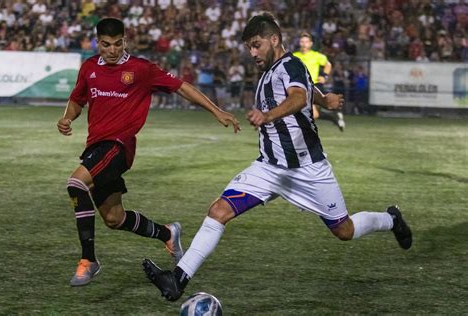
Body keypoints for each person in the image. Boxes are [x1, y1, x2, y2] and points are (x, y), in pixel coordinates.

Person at [142, 13, 412, 301]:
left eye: (256, 45)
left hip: (307, 169)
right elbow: (307, 88)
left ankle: (390, 219)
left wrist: (267, 115)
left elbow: (297, 97)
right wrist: (324, 100)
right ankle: (177, 279)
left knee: (344, 230)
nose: (252, 52)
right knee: (219, 210)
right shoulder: (274, 72)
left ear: (274, 39)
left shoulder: (291, 64)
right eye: (249, 47)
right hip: (269, 168)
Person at [57, 18, 240, 287]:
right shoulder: (89, 68)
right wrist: (67, 118)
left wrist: (216, 110)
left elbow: (182, 87)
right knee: (113, 218)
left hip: (119, 146)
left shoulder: (140, 69)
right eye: (106, 45)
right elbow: (77, 99)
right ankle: (167, 233)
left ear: (125, 41)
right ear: (98, 43)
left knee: (76, 184)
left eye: (117, 44)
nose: (112, 50)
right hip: (96, 147)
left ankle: (89, 261)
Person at [293, 32, 346, 132]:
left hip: (314, 86)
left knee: (312, 113)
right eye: (302, 41)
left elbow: (328, 65)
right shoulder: (294, 56)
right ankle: (335, 118)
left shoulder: (316, 56)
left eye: (306, 42)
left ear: (310, 44)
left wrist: (324, 76)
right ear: (299, 43)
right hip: (299, 87)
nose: (304, 44)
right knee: (314, 113)